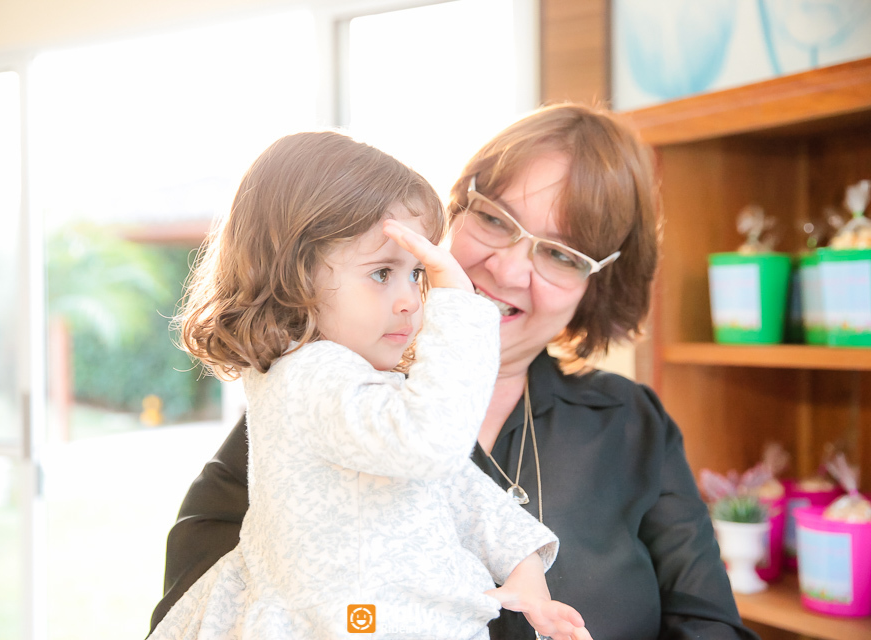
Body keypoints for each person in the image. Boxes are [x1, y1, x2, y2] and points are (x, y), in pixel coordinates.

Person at [150, 104, 760, 640]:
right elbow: (202, 608)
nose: (509, 270)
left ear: (596, 285)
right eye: (495, 219)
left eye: (560, 253)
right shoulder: (311, 405)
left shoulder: (633, 423)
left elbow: (709, 624)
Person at [149, 130, 592, 640]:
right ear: (294, 276)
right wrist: (459, 306)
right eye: (382, 273)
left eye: (417, 275)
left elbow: (455, 486)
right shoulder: (307, 378)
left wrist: (525, 572)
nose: (411, 300)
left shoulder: (364, 389)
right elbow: (433, 446)